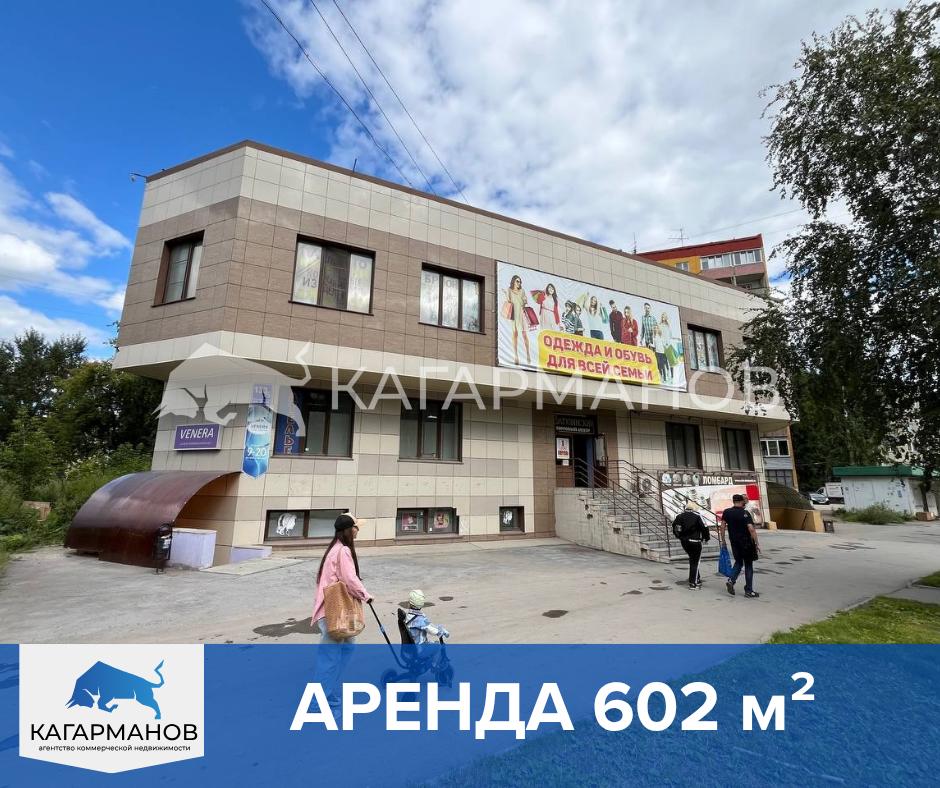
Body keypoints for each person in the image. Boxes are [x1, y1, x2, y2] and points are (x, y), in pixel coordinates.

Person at [311, 513, 372, 710]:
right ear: (349, 530)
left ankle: (327, 690)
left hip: (333, 612)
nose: (358, 531)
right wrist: (366, 595)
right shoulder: (343, 551)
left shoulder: (334, 549)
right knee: (329, 659)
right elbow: (350, 579)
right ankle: (316, 702)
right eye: (356, 527)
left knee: (347, 648)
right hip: (335, 614)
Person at [719, 494, 761, 598]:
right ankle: (749, 591)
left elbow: (722, 526)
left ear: (733, 501)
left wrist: (723, 540)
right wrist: (757, 543)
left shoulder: (727, 512)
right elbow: (751, 529)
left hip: (734, 542)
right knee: (748, 565)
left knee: (738, 562)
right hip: (746, 542)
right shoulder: (745, 513)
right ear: (742, 501)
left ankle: (731, 580)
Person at [672, 501, 711, 589]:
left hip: (684, 542)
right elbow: (705, 527)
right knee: (695, 561)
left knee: (693, 560)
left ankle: (697, 578)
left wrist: (679, 536)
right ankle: (693, 583)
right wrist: (706, 538)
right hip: (695, 541)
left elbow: (675, 527)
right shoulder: (697, 516)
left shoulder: (679, 516)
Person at [505, 275, 531, 365]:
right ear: (513, 281)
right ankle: (516, 356)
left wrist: (525, 301)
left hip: (521, 313)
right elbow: (508, 301)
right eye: (517, 281)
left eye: (519, 281)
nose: (519, 283)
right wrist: (505, 294)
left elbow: (525, 301)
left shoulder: (522, 291)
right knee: (515, 333)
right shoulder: (509, 290)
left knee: (524, 334)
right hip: (514, 314)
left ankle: (528, 354)